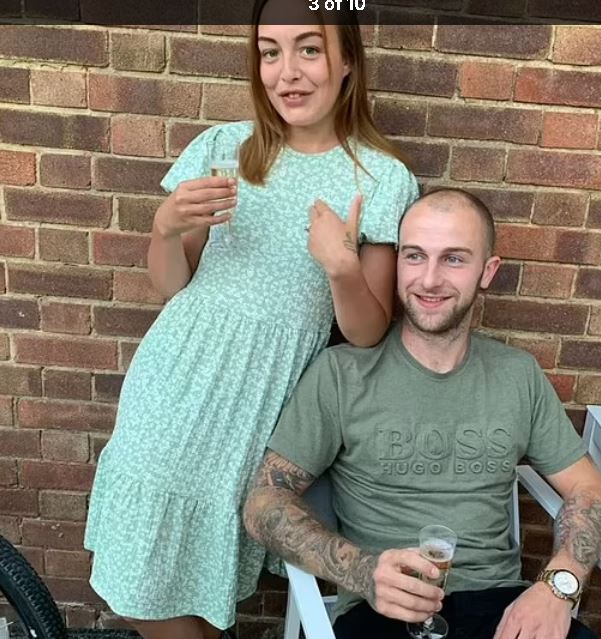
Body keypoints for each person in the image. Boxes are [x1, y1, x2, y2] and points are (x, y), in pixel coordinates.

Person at [83, 0, 419, 637]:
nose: (287, 72)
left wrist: (341, 268)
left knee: (196, 572)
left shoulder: (381, 177)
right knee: (141, 577)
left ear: (348, 59)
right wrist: (165, 228)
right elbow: (170, 284)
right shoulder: (224, 147)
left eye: (309, 48)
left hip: (260, 396)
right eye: (270, 52)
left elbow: (367, 331)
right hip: (174, 376)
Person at [243, 188, 601, 639]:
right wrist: (361, 570)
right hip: (384, 609)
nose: (429, 279)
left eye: (454, 259)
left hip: (501, 608)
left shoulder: (516, 375)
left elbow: (591, 491)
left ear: (487, 271)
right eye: (415, 256)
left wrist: (558, 587)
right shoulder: (342, 374)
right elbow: (263, 501)